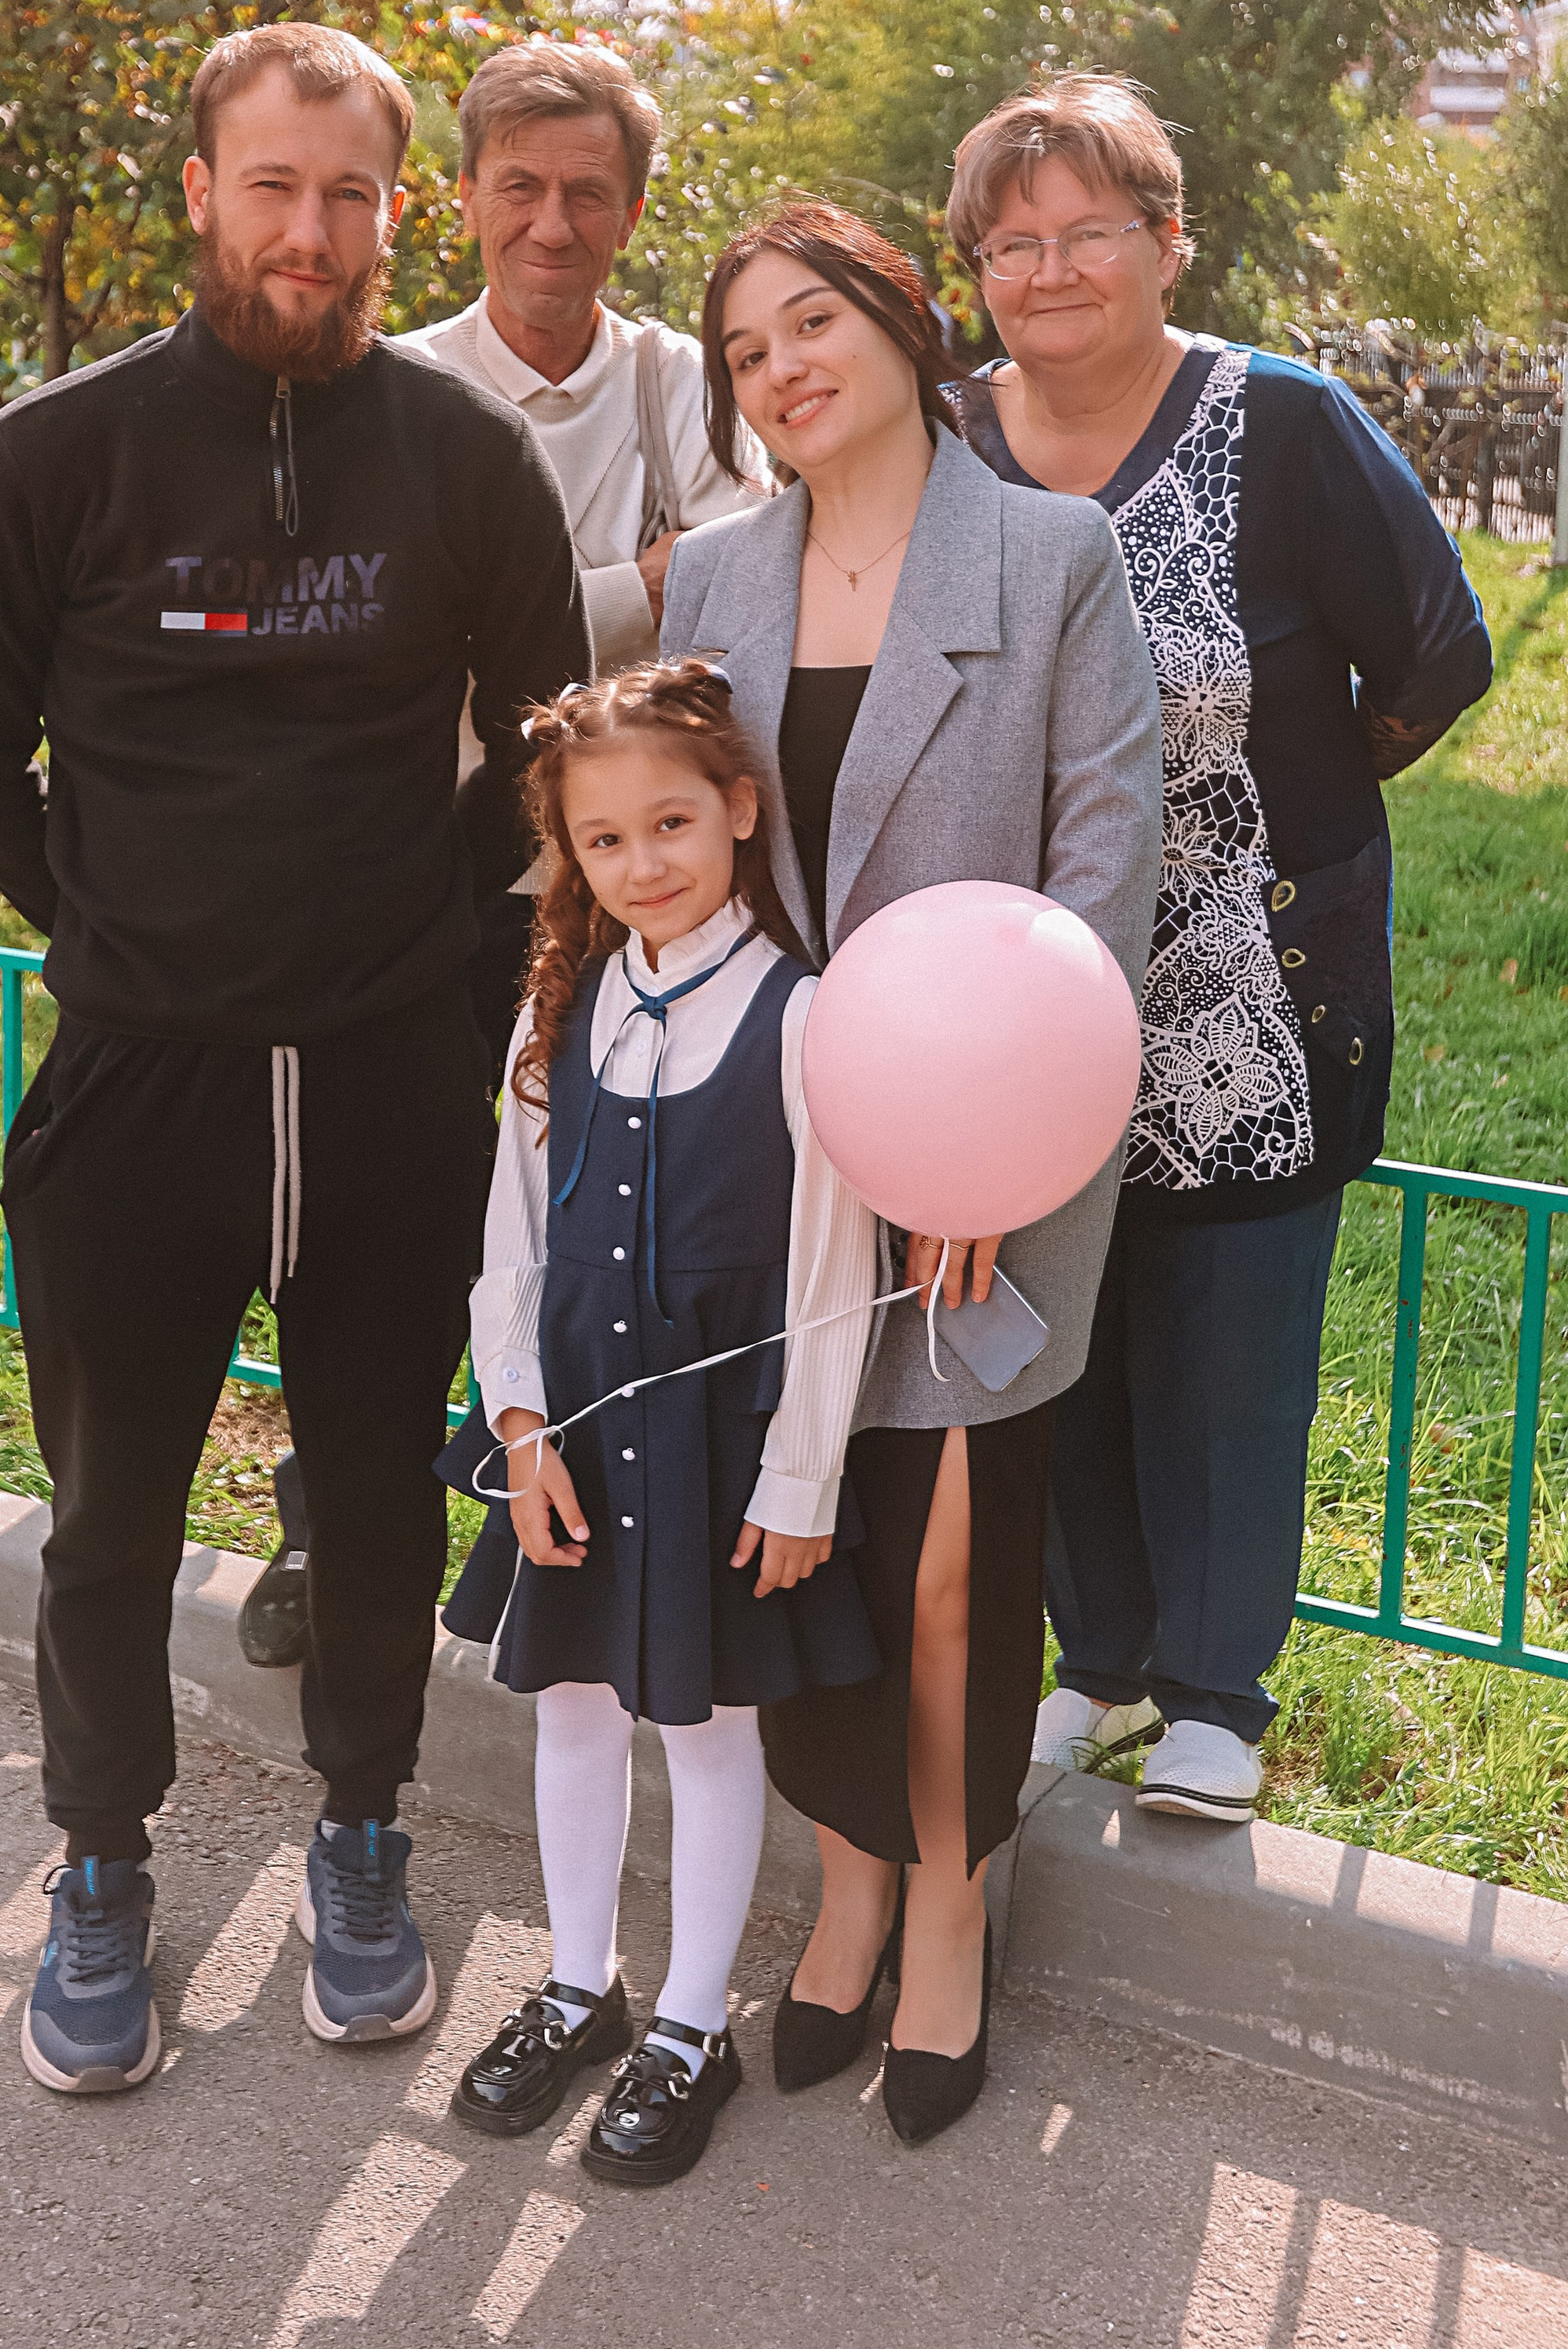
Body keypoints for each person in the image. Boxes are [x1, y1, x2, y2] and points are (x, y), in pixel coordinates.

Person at [0, 22, 591, 2094]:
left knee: (376, 1501)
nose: (313, 229)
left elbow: (546, 735)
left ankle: (362, 1838)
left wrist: (432, 939)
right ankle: (100, 1867)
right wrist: (116, 930)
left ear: (395, 214)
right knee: (109, 1516)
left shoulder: (464, 460)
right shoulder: (54, 458)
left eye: (350, 193)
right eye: (276, 186)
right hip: (143, 1091)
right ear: (203, 191)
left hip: (389, 1082)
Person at [662, 201, 1164, 2146]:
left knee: (951, 1553)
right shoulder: (719, 573)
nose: (779, 368)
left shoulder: (1045, 555)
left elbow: (1102, 860)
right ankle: (847, 1880)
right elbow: (680, 851)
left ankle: (947, 1900)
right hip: (782, 1144)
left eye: (810, 322)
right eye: (742, 351)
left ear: (896, 322)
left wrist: (989, 1142)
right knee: (803, 1532)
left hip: (989, 1138)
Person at [944, 72, 1493, 1823]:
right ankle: (1092, 1661)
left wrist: (1279, 800)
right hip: (1011, 976)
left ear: (1168, 242)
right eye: (1010, 243)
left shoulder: (1286, 423)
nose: (1048, 270)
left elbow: (1436, 651)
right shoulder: (942, 439)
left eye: (1087, 231)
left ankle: (1212, 1698)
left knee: (1230, 1340)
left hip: (1246, 968)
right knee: (1050, 1321)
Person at [238, 38, 762, 1670]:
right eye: (519, 186)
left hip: (630, 901)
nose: (552, 222)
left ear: (632, 211)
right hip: (422, 885)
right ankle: (333, 1521)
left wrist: (551, 611)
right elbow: (399, 635)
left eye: (588, 193)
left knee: (601, 1227)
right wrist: (625, 587)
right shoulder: (386, 386)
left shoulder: (683, 384)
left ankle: (552, 1524)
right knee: (390, 1221)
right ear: (457, 198)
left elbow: (739, 598)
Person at [433, 660, 882, 2186]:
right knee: (569, 1703)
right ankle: (580, 1985)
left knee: (701, 1721)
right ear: (571, 851)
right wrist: (519, 1423)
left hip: (714, 1441)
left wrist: (800, 1477)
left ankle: (692, 2023)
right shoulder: (557, 1005)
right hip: (566, 1425)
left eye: (672, 822)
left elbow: (833, 1276)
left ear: (740, 810)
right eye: (604, 839)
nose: (643, 863)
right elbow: (511, 1237)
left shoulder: (804, 1019)